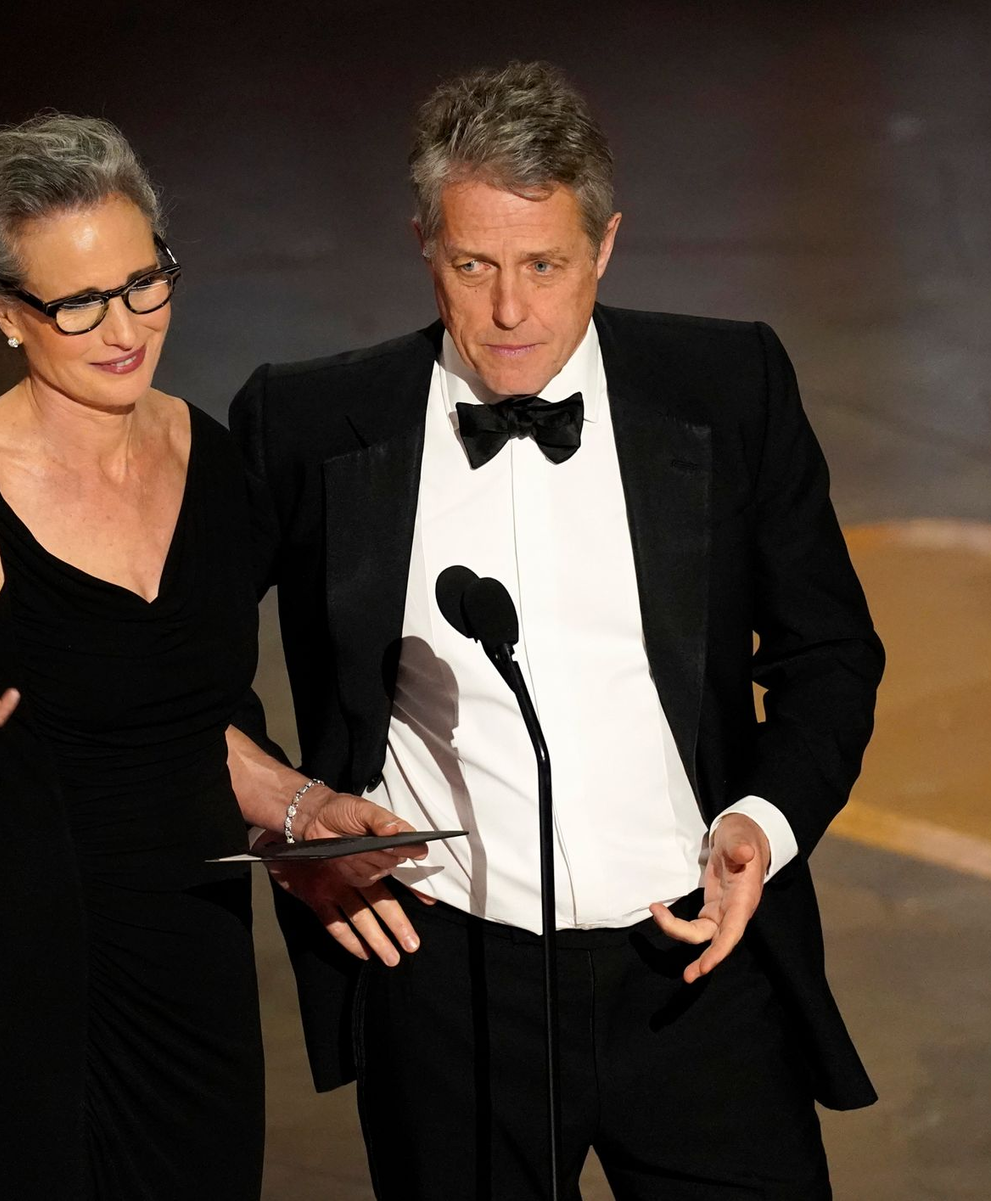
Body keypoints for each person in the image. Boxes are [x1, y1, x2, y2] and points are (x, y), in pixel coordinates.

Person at [228, 62, 885, 1199]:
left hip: (699, 965)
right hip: (445, 982)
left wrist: (763, 824)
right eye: (472, 265)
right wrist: (292, 822)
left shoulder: (727, 386)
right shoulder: (308, 422)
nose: (509, 310)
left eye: (544, 264)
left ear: (606, 245)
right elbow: (173, 667)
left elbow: (829, 655)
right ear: (424, 245)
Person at [0, 112, 416, 1200]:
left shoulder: (213, 459)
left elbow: (187, 726)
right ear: (5, 312)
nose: (124, 328)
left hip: (196, 963)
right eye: (79, 303)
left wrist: (304, 810)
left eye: (145, 282)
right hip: (26, 981)